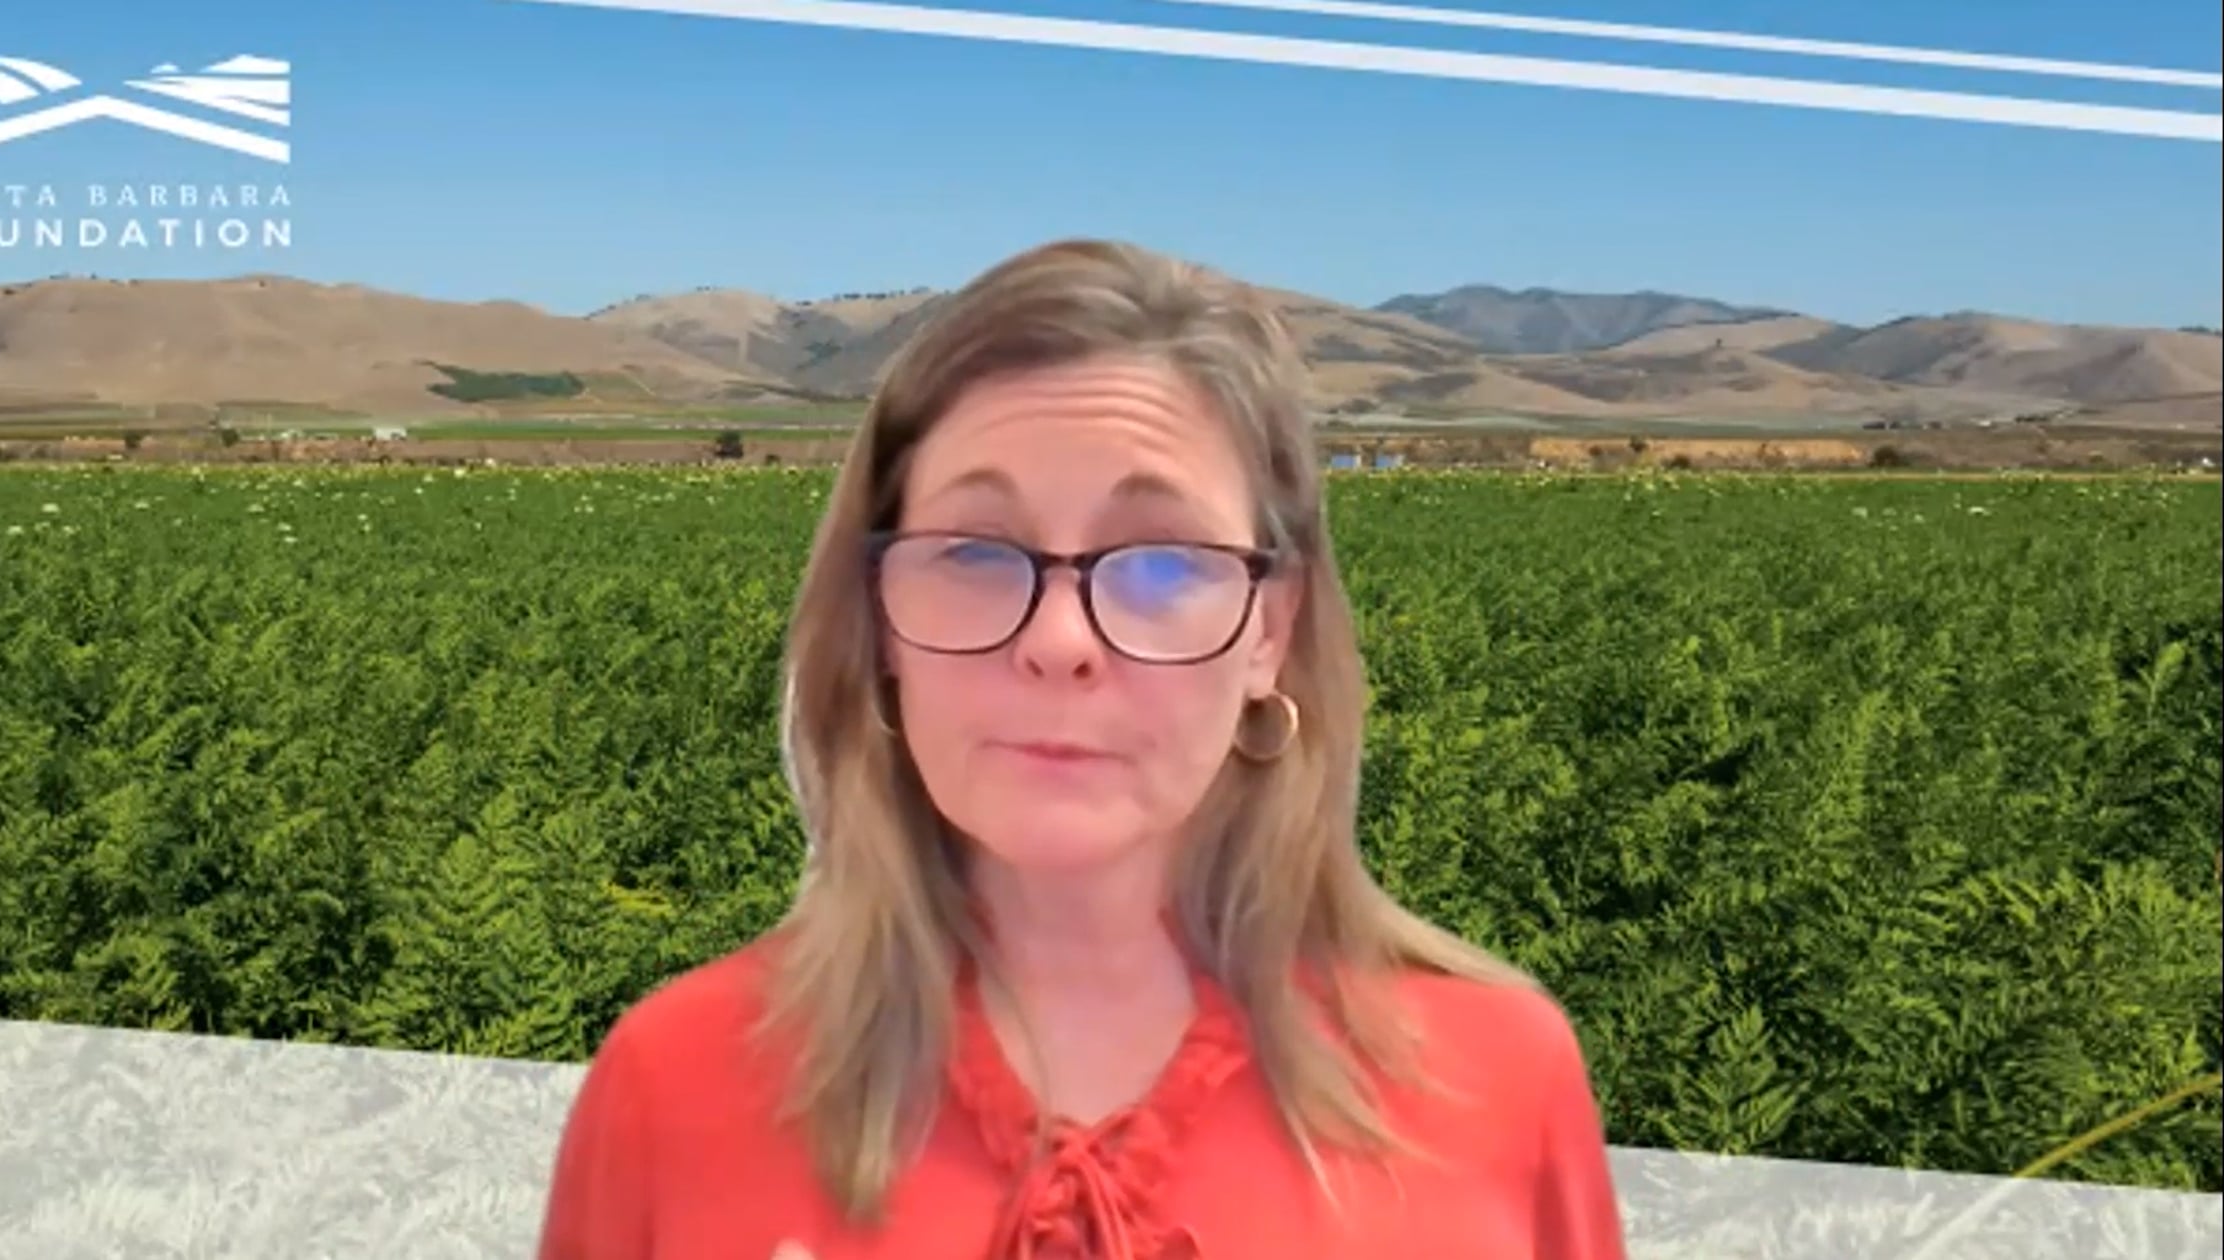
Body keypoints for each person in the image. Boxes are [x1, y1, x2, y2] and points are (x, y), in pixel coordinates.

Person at [535, 238, 1629, 1259]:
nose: (1059, 642)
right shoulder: (670, 1091)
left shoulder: (1500, 1087)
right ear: (877, 620)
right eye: (975, 550)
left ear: (1270, 628)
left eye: (1161, 560)